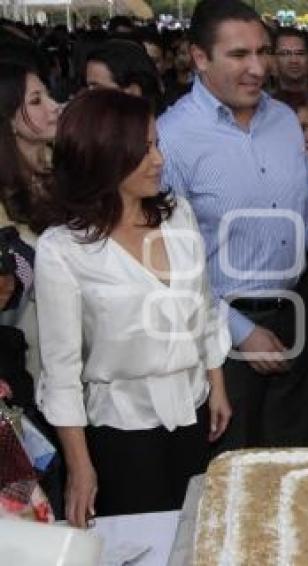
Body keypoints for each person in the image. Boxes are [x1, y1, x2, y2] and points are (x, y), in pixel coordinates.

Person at [36, 89, 231, 525]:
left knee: (195, 532)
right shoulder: (63, 250)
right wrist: (81, 466)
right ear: (102, 154)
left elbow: (204, 304)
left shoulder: (177, 213)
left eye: (156, 143)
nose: (158, 159)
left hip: (192, 409)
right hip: (121, 431)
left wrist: (215, 382)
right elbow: (61, 371)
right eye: (142, 149)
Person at [157, 0, 308, 452]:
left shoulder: (285, 119)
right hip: (218, 336)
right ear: (198, 57)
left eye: (262, 51)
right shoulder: (171, 138)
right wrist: (238, 330)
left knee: (292, 459)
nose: (257, 68)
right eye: (238, 55)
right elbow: (164, 259)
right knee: (232, 470)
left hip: (295, 314)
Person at [0, 60, 59, 380]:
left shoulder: (70, 170)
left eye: (49, 96)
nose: (54, 108)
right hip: (30, 364)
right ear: (8, 118)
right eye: (36, 101)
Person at [84, 39, 165, 115]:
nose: (88, 95)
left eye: (98, 88)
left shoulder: (162, 126)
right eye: (89, 87)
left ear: (133, 92)